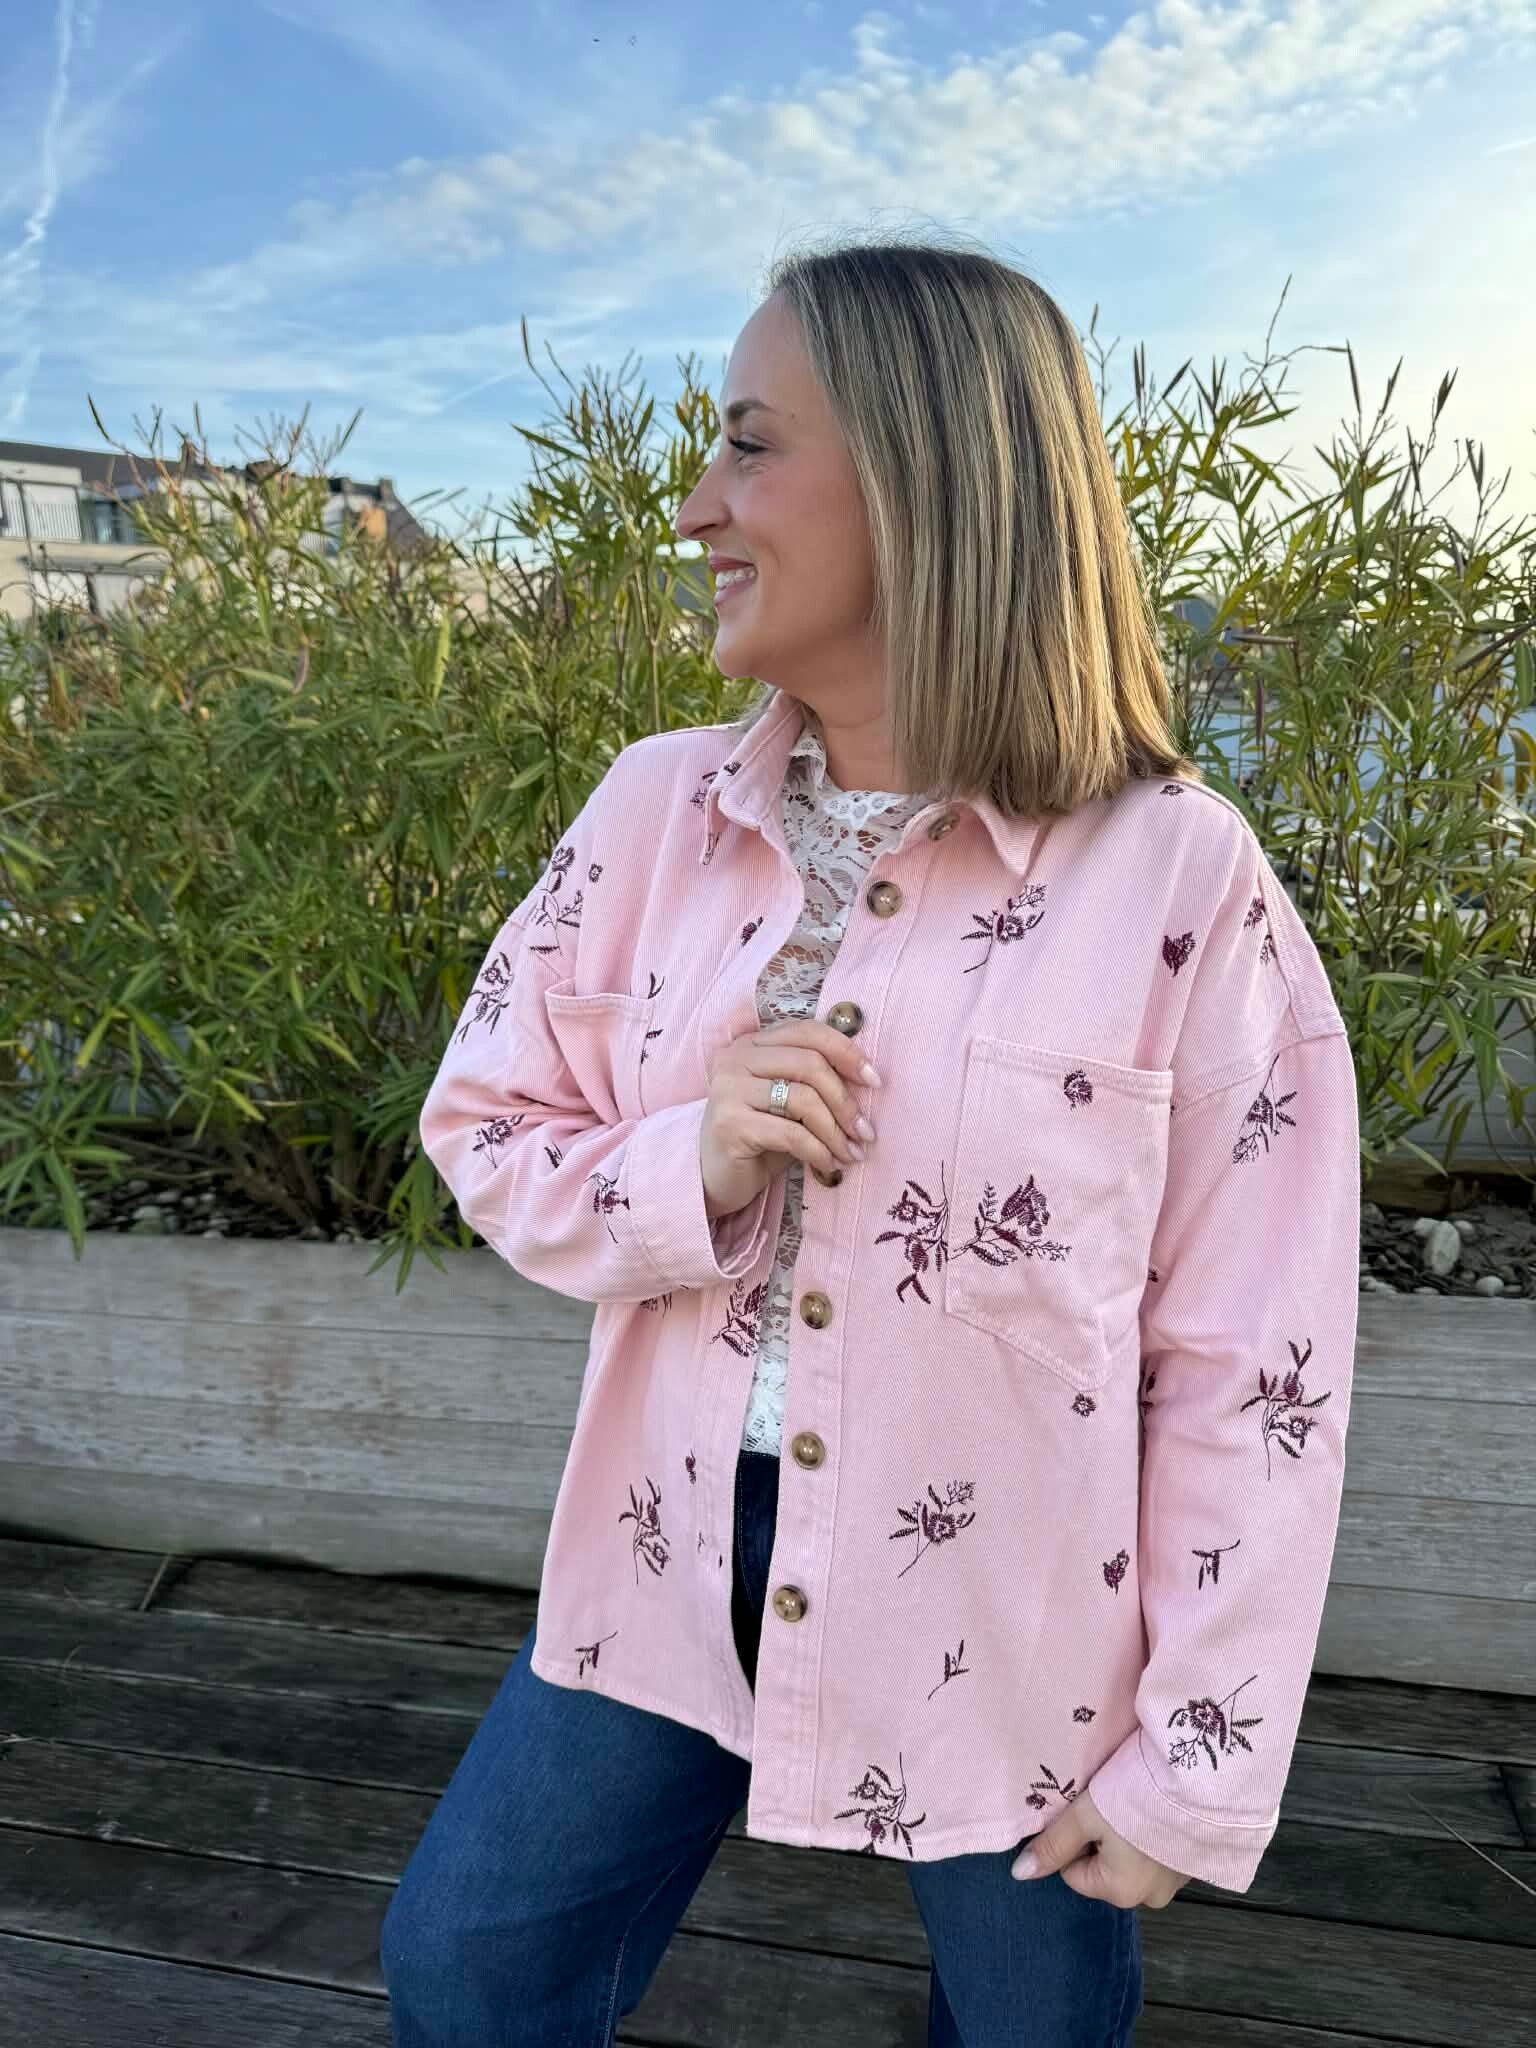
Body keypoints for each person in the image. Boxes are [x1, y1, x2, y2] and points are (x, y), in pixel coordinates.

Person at [381, 235, 1361, 2047]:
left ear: (927, 479)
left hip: (1022, 1621)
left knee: (1029, 2031)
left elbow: (1257, 1360)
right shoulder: (655, 815)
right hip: (670, 1548)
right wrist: (690, 1160)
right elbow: (487, 1120)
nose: (697, 505)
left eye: (750, 445)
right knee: (467, 1966)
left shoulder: (1179, 881)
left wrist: (1194, 1758)